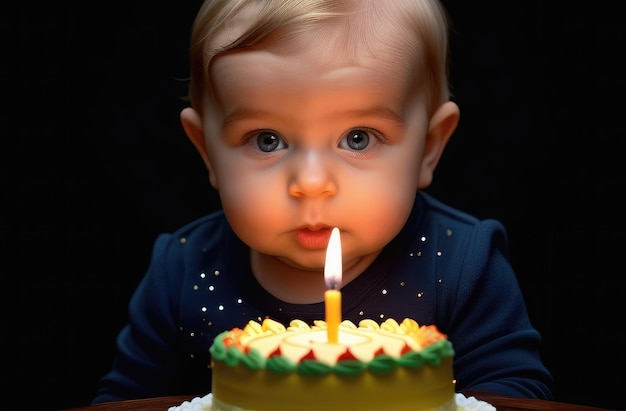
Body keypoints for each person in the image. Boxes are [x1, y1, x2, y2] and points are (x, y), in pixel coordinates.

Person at [93, 0, 552, 403]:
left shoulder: (458, 265)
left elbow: (512, 393)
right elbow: (126, 400)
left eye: (358, 138)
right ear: (207, 150)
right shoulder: (184, 271)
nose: (311, 183)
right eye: (267, 139)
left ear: (428, 147)